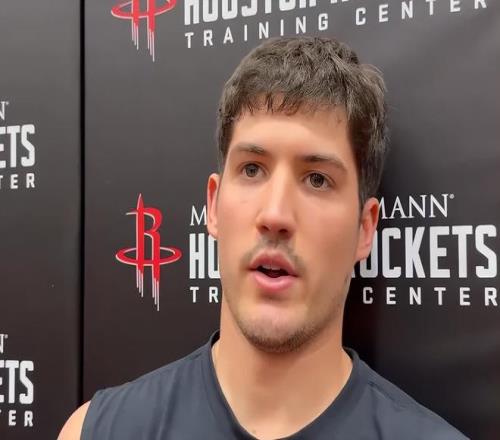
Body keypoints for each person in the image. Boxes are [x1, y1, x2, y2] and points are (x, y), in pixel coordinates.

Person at [59, 36, 468, 440]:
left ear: (365, 229)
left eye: (317, 179)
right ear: (213, 205)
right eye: (252, 169)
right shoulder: (95, 432)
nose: (275, 215)